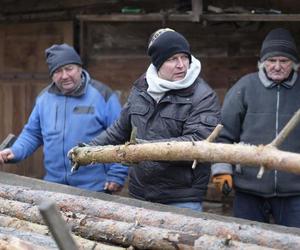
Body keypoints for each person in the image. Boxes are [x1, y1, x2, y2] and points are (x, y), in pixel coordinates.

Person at [78, 28, 221, 211]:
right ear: (158, 62)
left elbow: (196, 144)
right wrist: (87, 149)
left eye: (184, 57)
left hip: (181, 196)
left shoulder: (202, 96)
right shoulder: (142, 87)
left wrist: (141, 150)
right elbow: (121, 129)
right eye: (172, 59)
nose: (181, 65)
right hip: (140, 193)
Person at [0, 43, 128, 193]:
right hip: (54, 187)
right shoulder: (44, 98)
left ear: (80, 68)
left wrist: (117, 174)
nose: (65, 75)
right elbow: (33, 133)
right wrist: (15, 151)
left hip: (94, 188)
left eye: (69, 69)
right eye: (58, 71)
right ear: (52, 75)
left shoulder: (103, 95)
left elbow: (121, 136)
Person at [211, 28, 300, 227]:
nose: (277, 66)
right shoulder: (245, 88)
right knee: (246, 242)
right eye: (271, 60)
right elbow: (223, 135)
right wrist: (221, 170)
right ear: (262, 62)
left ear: (294, 64)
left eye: (284, 61)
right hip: (249, 190)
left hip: (295, 192)